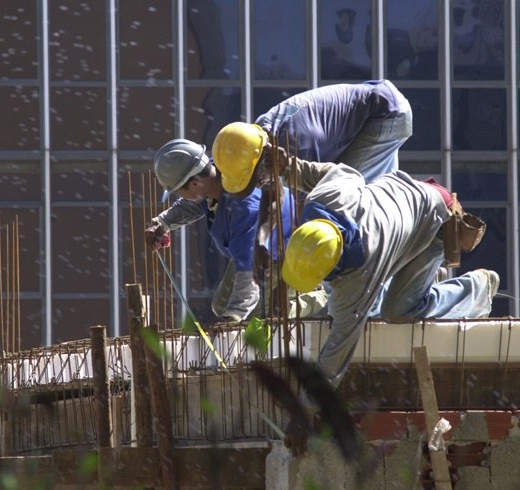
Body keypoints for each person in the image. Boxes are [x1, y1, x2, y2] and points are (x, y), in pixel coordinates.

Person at [218, 138, 498, 453]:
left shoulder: (360, 278)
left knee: (400, 311)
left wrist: (304, 412)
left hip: (434, 219)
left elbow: (337, 351)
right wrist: (289, 168)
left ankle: (476, 289)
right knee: (396, 291)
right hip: (403, 201)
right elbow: (337, 171)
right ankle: (423, 277)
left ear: (335, 268)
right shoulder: (326, 199)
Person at [144, 139, 327, 323]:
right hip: (252, 249)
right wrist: (162, 223)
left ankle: (317, 295)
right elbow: (193, 204)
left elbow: (248, 275)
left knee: (264, 313)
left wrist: (232, 318)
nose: (180, 196)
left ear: (194, 184)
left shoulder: (245, 209)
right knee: (221, 306)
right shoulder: (219, 174)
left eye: (178, 191)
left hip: (285, 250)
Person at [220, 79, 412, 194]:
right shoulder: (261, 133)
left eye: (257, 179)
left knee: (343, 192)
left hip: (384, 114)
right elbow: (274, 196)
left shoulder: (296, 145)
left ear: (260, 161)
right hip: (379, 108)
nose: (259, 185)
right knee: (379, 188)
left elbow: (318, 192)